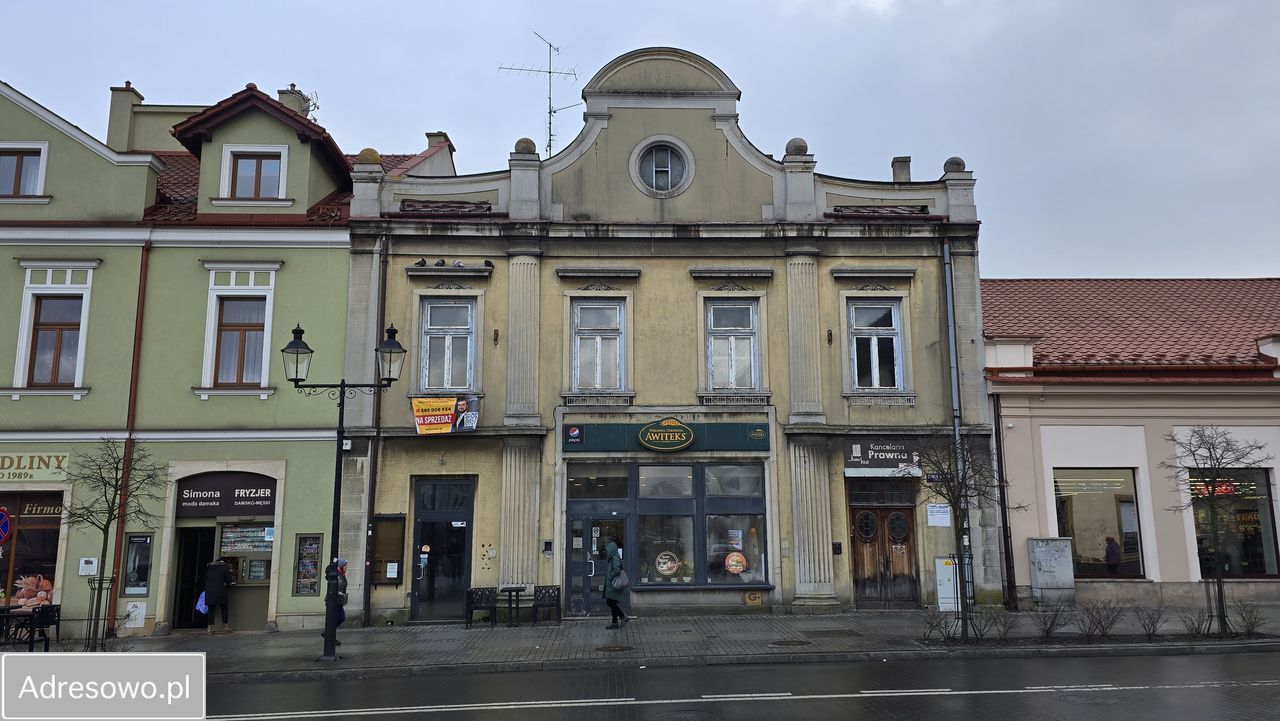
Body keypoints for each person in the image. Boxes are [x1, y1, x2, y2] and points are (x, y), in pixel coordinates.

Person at [204, 557, 233, 635]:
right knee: (224, 608)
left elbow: (205, 579)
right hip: (221, 590)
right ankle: (226, 627)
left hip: (209, 591)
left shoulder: (209, 567)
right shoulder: (224, 567)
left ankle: (211, 629)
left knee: (211, 609)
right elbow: (229, 580)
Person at [602, 540, 627, 629]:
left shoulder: (615, 557)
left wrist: (610, 577)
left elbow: (616, 570)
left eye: (608, 550)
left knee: (610, 602)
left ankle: (622, 616)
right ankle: (614, 622)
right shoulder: (612, 557)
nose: (607, 552)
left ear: (612, 550)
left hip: (613, 583)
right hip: (611, 584)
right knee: (611, 601)